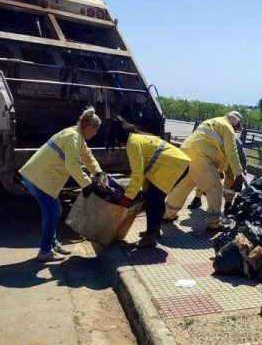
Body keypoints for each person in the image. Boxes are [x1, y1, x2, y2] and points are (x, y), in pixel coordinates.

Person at [19, 107, 102, 262]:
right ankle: (45, 251)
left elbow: (86, 156)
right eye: (95, 130)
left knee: (53, 211)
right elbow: (73, 164)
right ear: (89, 127)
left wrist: (97, 172)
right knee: (53, 212)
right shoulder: (73, 136)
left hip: (38, 177)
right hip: (38, 178)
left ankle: (51, 245)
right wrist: (86, 184)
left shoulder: (77, 135)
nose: (96, 133)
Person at [110, 118, 191, 247]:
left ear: (117, 137)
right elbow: (145, 171)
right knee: (154, 198)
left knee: (154, 200)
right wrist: (143, 191)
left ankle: (151, 236)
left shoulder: (133, 144)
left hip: (173, 165)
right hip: (177, 164)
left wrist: (127, 198)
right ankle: (153, 231)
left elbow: (137, 174)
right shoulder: (138, 137)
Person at [164, 111, 245, 231]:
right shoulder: (228, 128)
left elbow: (210, 145)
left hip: (186, 153)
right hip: (201, 156)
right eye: (238, 126)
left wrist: (218, 169)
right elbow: (231, 152)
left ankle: (167, 215)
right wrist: (239, 175)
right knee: (215, 188)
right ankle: (213, 224)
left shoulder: (212, 121)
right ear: (235, 122)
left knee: (182, 187)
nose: (237, 129)